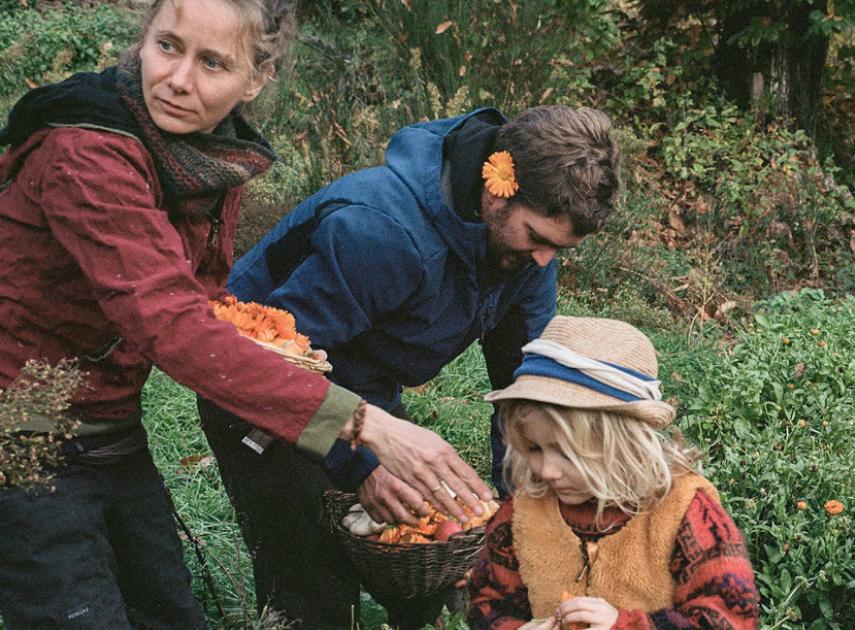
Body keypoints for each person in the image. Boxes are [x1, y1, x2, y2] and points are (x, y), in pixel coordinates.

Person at [0, 0, 493, 626]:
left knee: (168, 610)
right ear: (144, 38)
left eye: (212, 63)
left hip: (106, 423)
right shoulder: (86, 151)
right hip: (20, 426)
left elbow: (199, 296)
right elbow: (166, 321)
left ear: (255, 80)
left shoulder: (211, 160)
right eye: (167, 46)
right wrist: (363, 422)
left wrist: (272, 351)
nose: (178, 79)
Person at [196, 105, 619, 627]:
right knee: (316, 586)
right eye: (537, 238)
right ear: (497, 191)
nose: (543, 261)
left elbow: (526, 390)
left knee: (430, 560)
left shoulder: (525, 256)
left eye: (559, 248)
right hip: (257, 388)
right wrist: (361, 467)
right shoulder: (382, 232)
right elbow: (278, 371)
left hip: (365, 382)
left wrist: (519, 515)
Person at [467, 315, 760, 629]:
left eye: (567, 452)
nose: (548, 471)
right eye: (535, 449)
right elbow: (487, 604)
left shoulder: (683, 511)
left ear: (624, 443)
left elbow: (732, 617)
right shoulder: (523, 514)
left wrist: (628, 626)